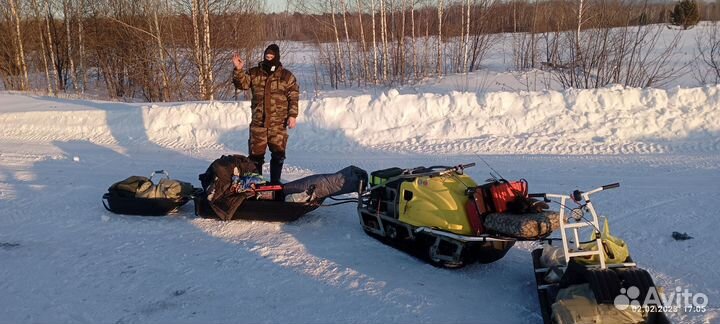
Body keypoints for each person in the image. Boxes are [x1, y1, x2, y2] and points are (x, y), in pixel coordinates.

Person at [232, 44, 299, 184]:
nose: (269, 58)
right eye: (267, 56)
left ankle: (275, 183)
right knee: (256, 156)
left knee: (278, 155)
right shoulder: (255, 73)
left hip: (278, 124)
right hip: (258, 124)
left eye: (271, 56)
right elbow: (242, 85)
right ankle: (257, 184)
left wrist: (292, 115)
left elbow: (293, 97)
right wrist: (239, 70)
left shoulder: (286, 76)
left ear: (277, 57)